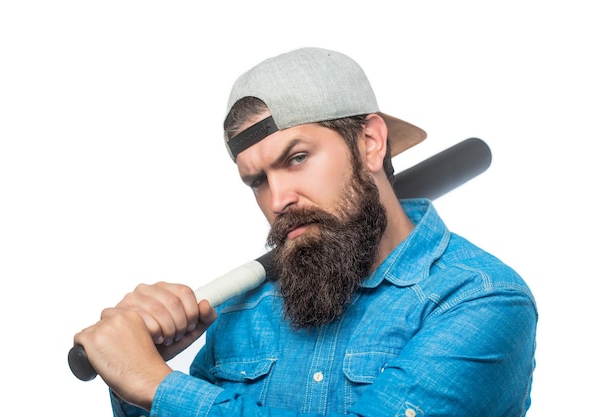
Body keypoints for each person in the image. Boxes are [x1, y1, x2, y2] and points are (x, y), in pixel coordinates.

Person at [74, 47, 538, 416]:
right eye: (257, 180)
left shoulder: (481, 299)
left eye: (296, 158)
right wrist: (134, 376)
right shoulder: (246, 310)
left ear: (370, 142)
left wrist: (159, 388)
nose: (277, 201)